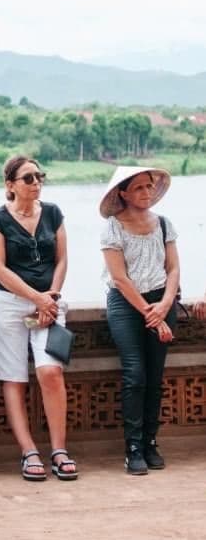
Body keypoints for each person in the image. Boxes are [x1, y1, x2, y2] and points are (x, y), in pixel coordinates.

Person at [0, 155, 77, 482]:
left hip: (49, 302)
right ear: (10, 184)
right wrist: (36, 298)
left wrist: (50, 297)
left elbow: (62, 259)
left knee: (50, 371)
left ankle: (59, 450)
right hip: (8, 305)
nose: (36, 182)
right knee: (14, 377)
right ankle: (28, 451)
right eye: (28, 178)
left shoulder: (53, 213)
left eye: (39, 176)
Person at [99, 166, 179, 474]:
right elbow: (119, 278)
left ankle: (150, 442)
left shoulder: (163, 224)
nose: (146, 192)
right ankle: (132, 447)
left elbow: (173, 268)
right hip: (126, 304)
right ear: (123, 193)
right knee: (135, 373)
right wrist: (152, 315)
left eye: (149, 186)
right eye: (139, 188)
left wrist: (165, 304)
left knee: (155, 375)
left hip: (161, 300)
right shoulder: (113, 227)